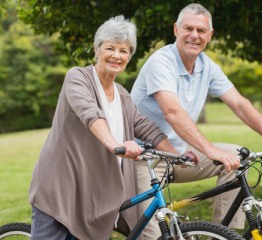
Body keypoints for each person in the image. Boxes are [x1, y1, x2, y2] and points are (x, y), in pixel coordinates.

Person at [130, 3, 262, 238]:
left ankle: (224, 235)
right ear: (176, 30)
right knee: (155, 236)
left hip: (180, 155)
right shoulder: (161, 62)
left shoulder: (207, 66)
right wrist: (210, 150)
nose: (194, 35)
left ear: (210, 35)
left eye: (201, 31)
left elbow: (239, 104)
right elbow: (172, 112)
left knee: (239, 159)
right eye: (188, 28)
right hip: (144, 160)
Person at [28, 15, 191, 240]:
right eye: (110, 48)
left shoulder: (123, 95)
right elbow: (90, 114)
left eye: (124, 51)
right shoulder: (78, 77)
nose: (116, 55)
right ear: (97, 49)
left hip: (93, 194)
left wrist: (176, 156)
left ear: (129, 57)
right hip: (60, 189)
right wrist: (116, 144)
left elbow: (145, 127)